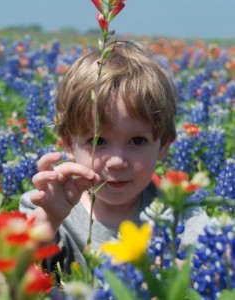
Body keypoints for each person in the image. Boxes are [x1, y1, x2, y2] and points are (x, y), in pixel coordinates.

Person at [20, 41, 209, 273]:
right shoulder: (43, 205)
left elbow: (219, 266)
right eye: (98, 141)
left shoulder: (179, 213)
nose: (117, 161)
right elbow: (2, 279)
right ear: (69, 143)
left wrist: (172, 274)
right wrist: (49, 220)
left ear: (163, 144)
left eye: (137, 140)